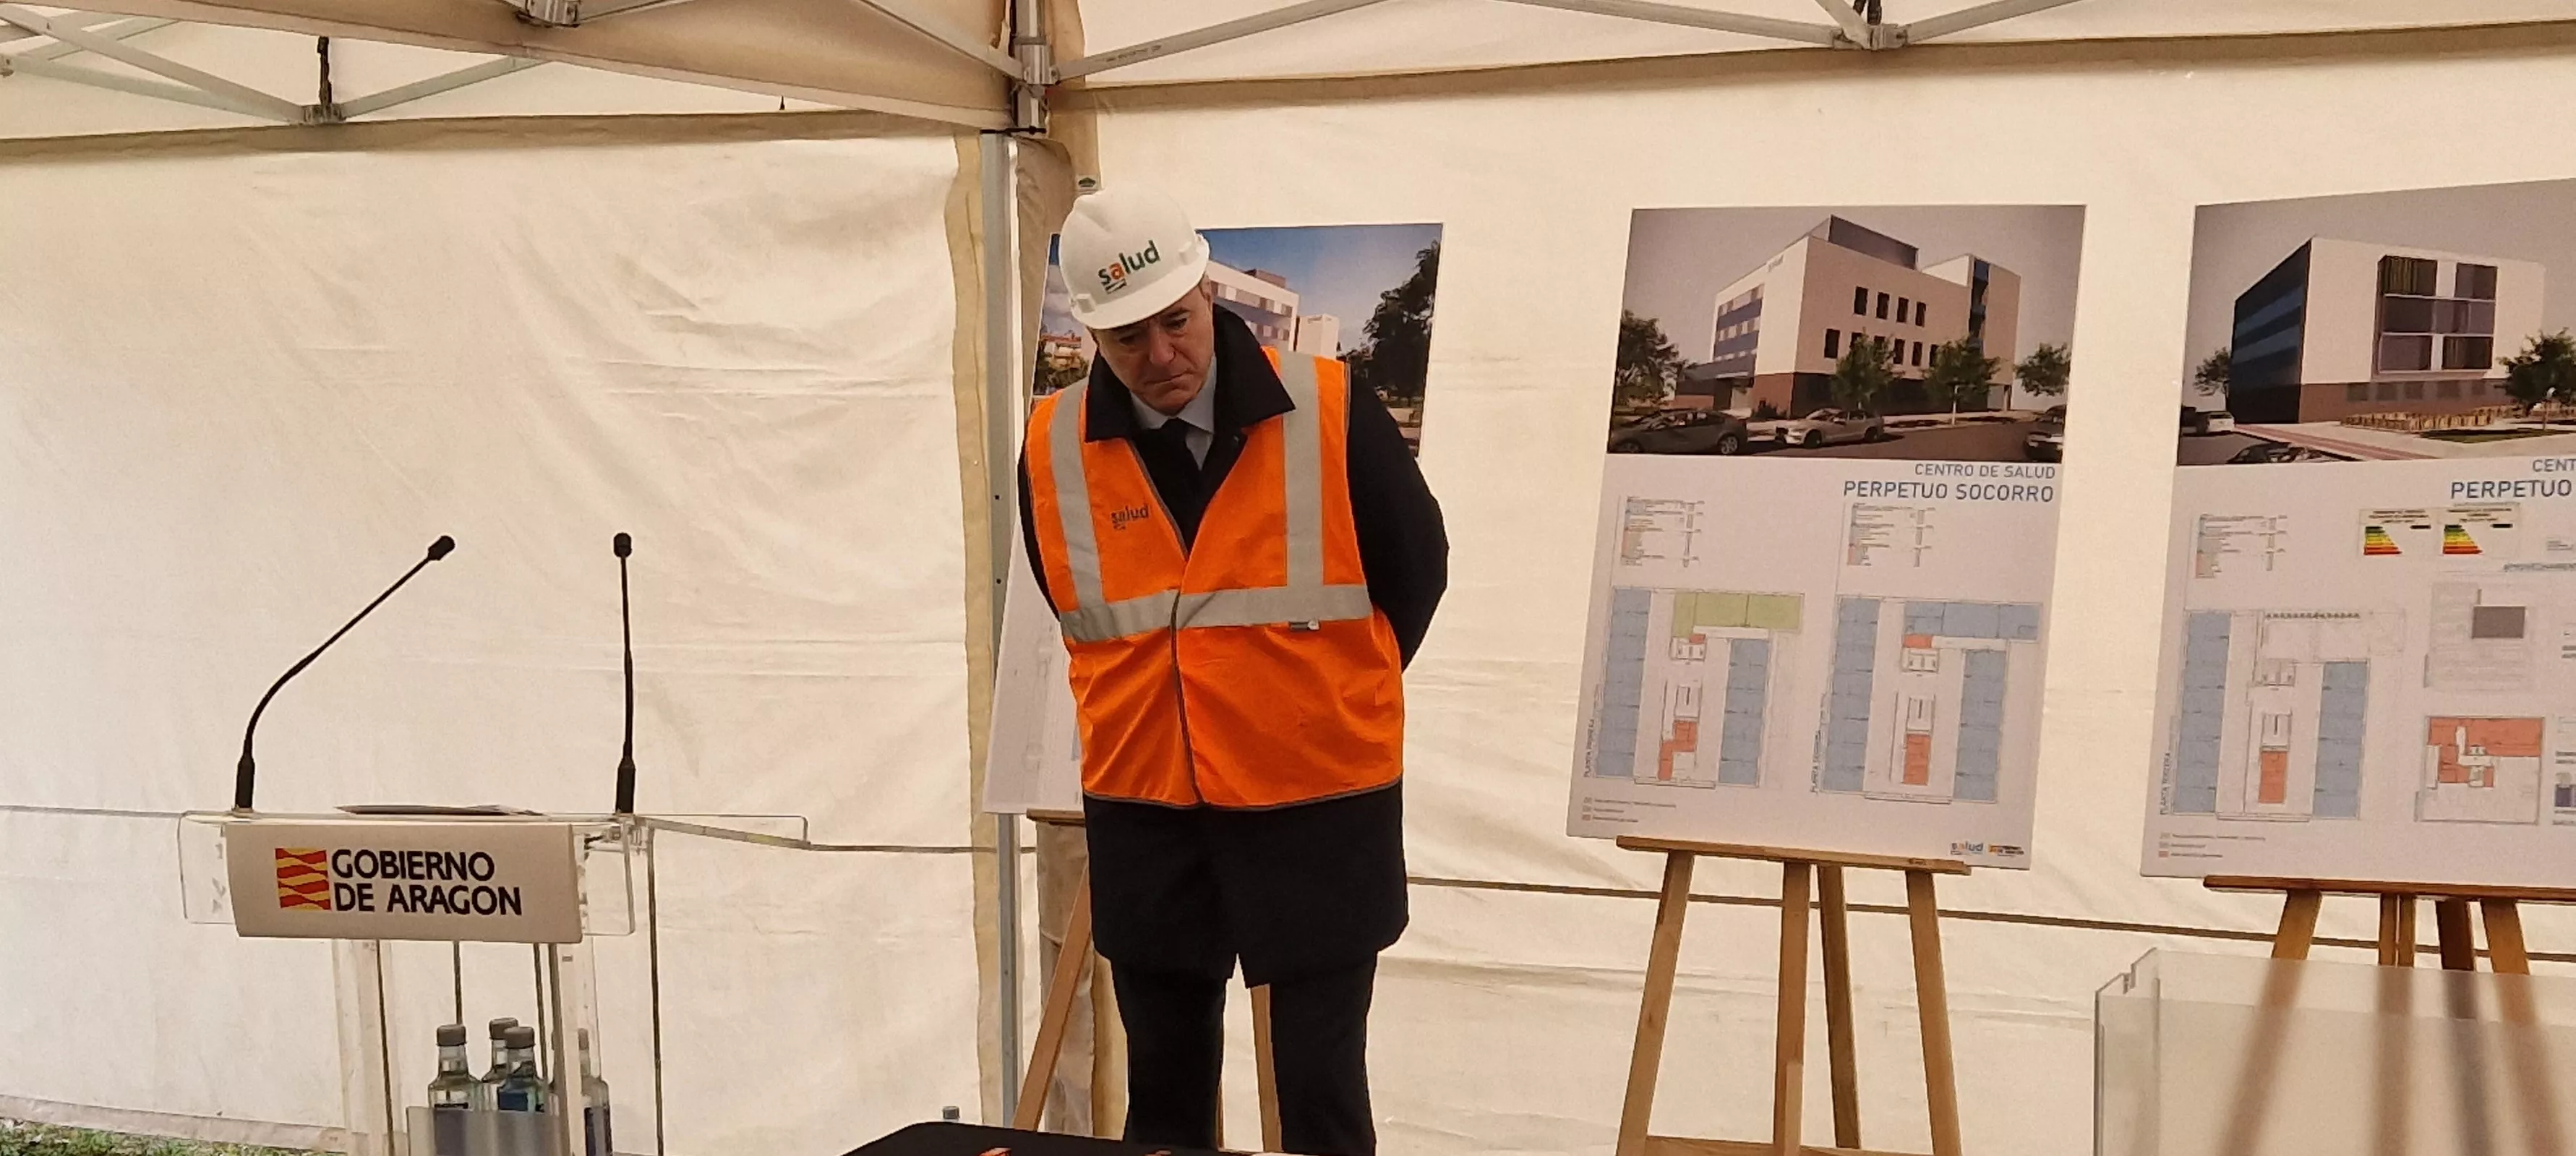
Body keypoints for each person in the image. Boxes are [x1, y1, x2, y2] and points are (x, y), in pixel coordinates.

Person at [1017, 184, 1447, 1156]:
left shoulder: (1332, 410)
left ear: (1208, 294)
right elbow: (1073, 604)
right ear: (1091, 335)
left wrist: (1306, 691)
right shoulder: (1048, 449)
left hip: (1319, 801)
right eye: (1128, 338)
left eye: (1176, 320)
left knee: (1320, 1098)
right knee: (1162, 1107)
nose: (1161, 355)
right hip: (1148, 810)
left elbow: (1412, 578)